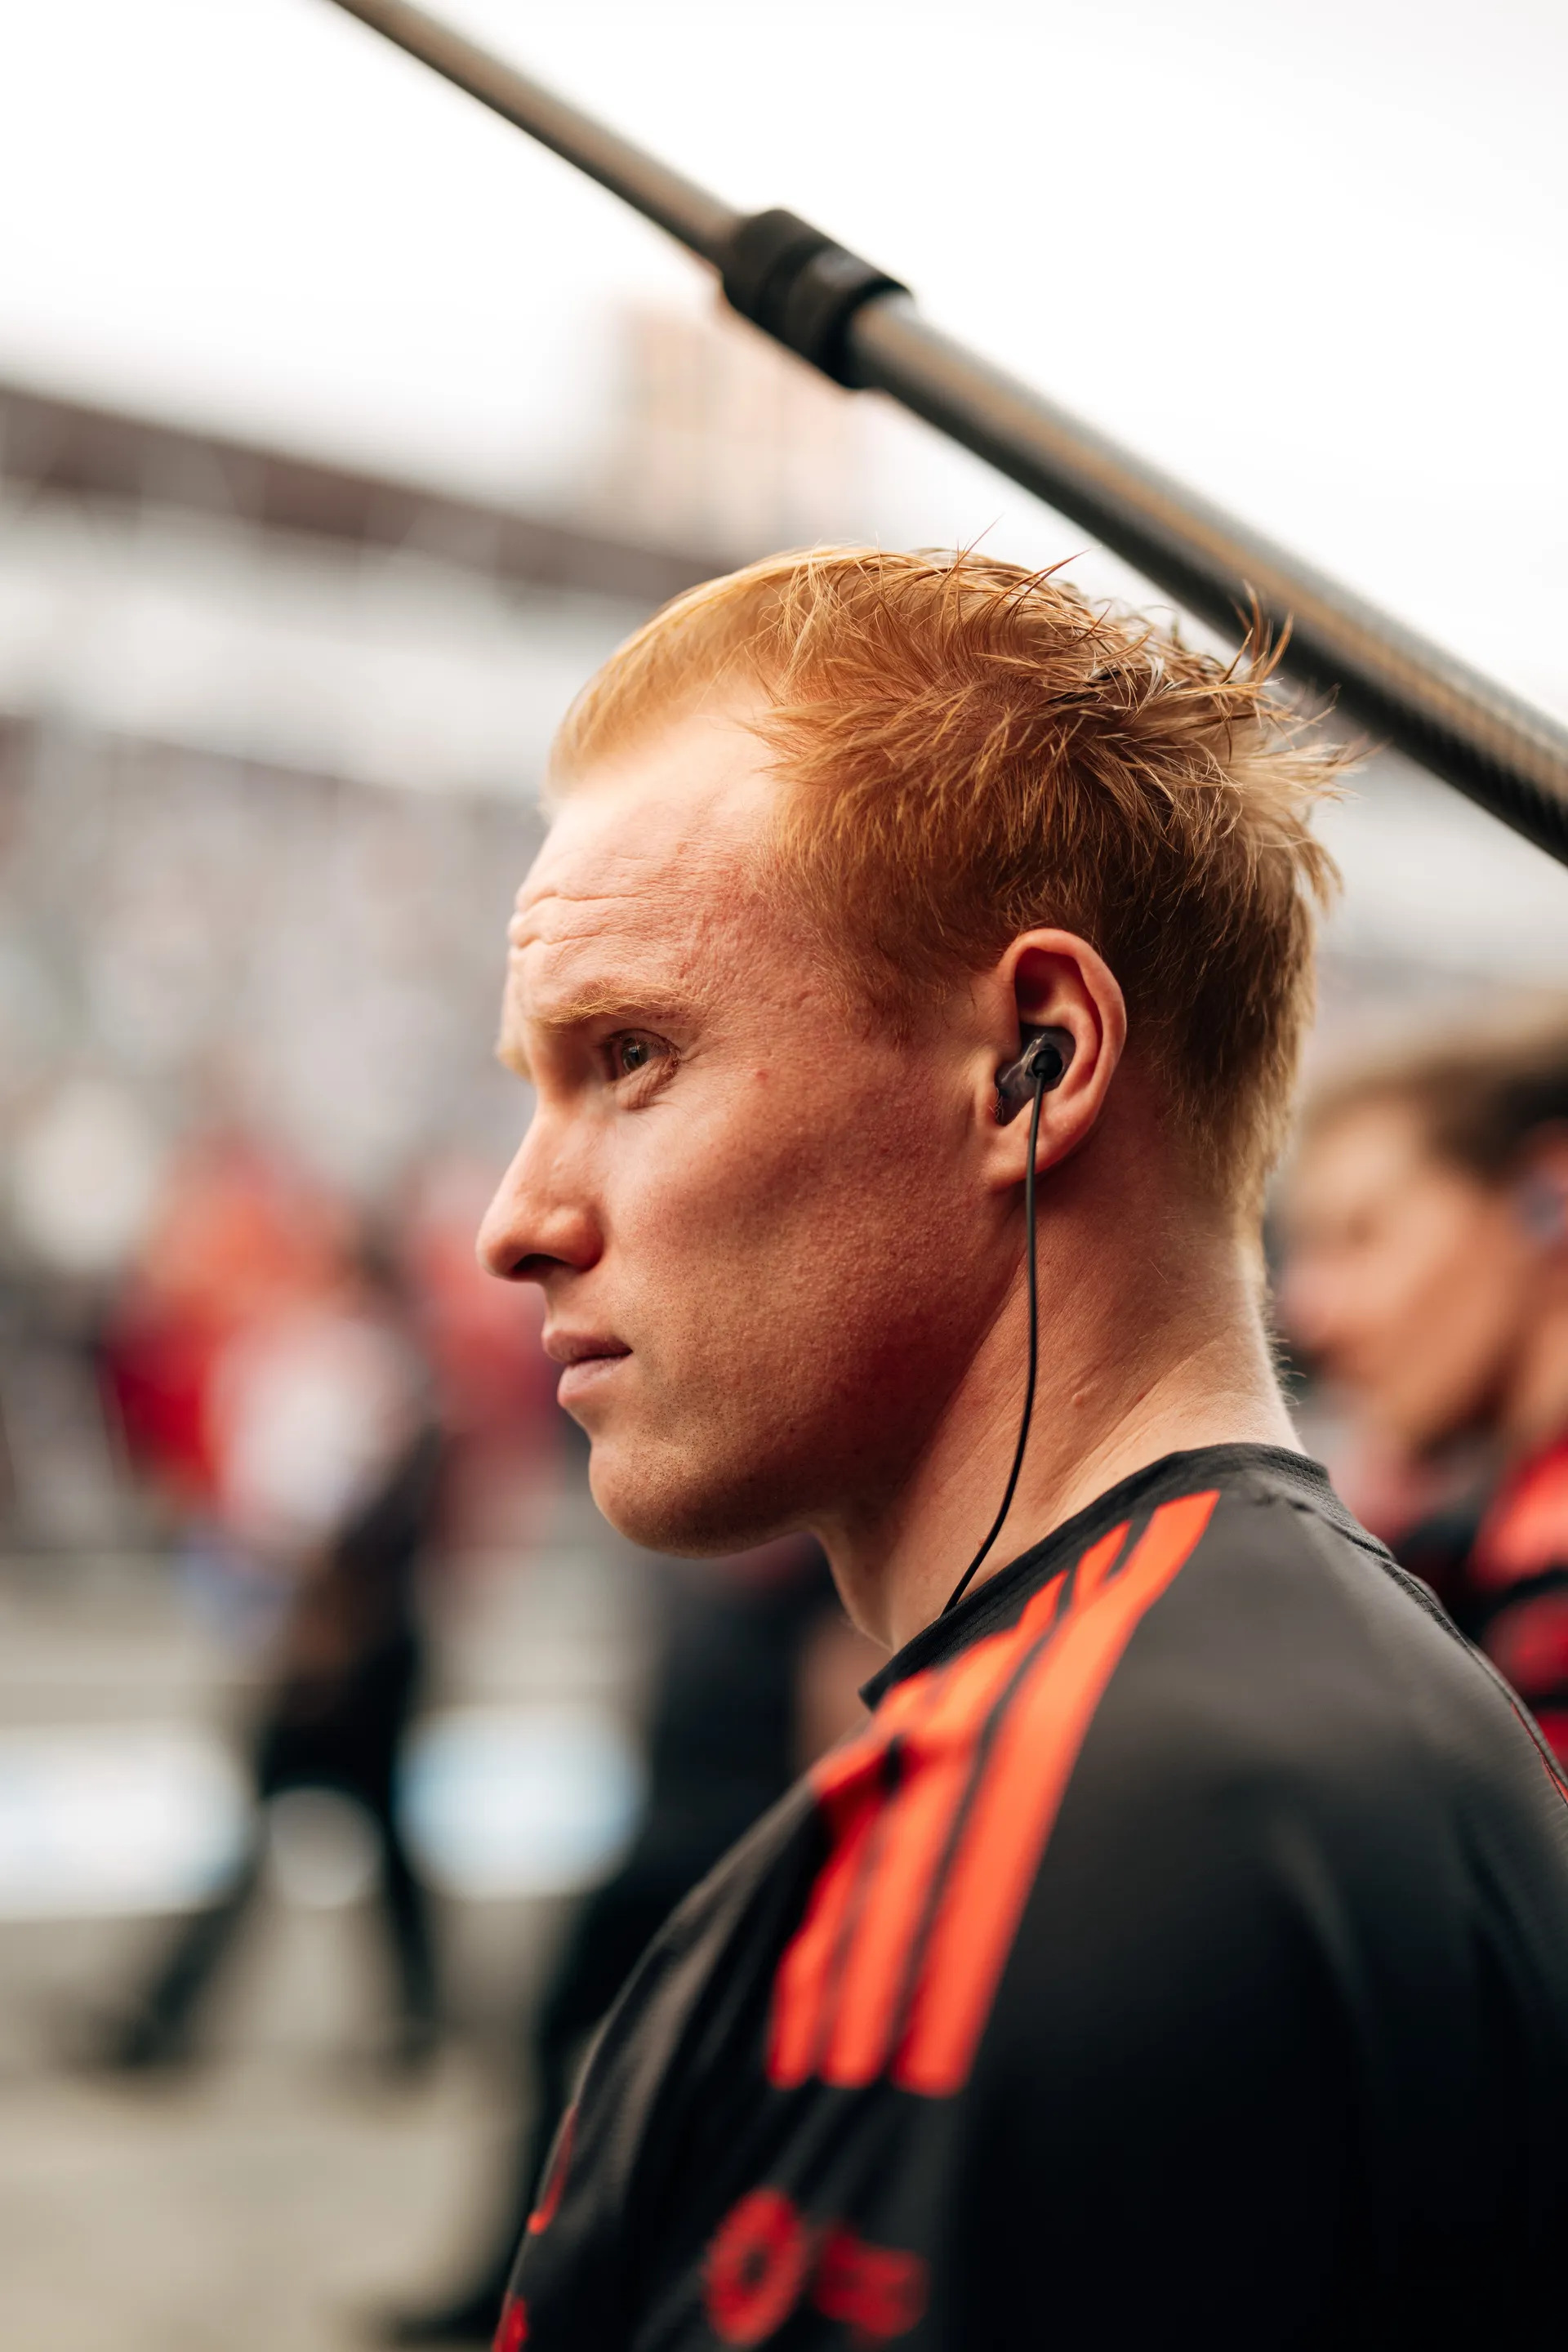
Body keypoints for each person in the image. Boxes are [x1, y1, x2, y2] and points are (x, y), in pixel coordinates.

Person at [475, 549, 1568, 2348]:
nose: (520, 1221)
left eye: (633, 1055)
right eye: (539, 1085)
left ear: (1035, 1063)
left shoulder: (1042, 1824)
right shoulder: (1391, 1697)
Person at [384, 1537, 871, 2345]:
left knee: (737, 2089)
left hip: (748, 1862)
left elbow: (832, 1732)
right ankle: (518, 2269)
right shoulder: (687, 1545)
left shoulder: (821, 1581)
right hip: (649, 1854)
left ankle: (712, 2290)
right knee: (549, 2049)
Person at [106, 1230, 444, 2072]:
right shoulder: (390, 1373)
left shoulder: (354, 1372)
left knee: (289, 1834)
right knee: (367, 1837)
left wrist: (313, 1635)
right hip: (356, 1635)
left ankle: (167, 2017)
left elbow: (325, 1518)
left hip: (335, 1642)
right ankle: (415, 2016)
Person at [1280, 1018, 1568, 1760]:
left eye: (1363, 1235)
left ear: (1551, 1198)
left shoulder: (1549, 1552)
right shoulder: (1483, 1535)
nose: (1308, 1314)